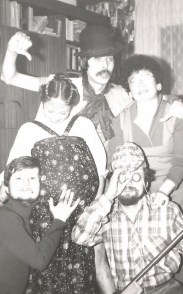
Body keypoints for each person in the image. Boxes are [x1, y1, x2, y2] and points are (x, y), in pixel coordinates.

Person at [0, 74, 108, 294]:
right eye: (51, 109)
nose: (57, 116)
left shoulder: (84, 124)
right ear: (43, 102)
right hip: (45, 217)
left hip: (80, 216)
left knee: (80, 276)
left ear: (73, 104)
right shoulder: (29, 129)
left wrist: (94, 208)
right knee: (47, 274)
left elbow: (100, 171)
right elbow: (11, 171)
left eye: (63, 110)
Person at [1, 27, 183, 151]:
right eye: (98, 60)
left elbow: (154, 94)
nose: (105, 65)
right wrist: (11, 50)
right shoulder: (63, 85)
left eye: (109, 59)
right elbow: (9, 77)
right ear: (84, 63)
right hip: (58, 163)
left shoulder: (122, 93)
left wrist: (177, 102)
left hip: (101, 172)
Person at [108, 54, 183, 284]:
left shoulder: (177, 112)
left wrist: (164, 192)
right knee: (150, 251)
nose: (140, 84)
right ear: (128, 91)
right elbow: (115, 163)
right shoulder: (120, 120)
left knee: (182, 247)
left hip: (178, 188)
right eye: (133, 80)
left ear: (158, 84)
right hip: (140, 191)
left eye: (145, 77)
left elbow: (181, 162)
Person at [72, 142, 183, 294]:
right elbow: (79, 238)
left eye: (135, 176)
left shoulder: (167, 210)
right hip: (126, 291)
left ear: (146, 181)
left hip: (166, 289)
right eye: (121, 177)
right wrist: (108, 196)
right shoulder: (104, 214)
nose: (128, 182)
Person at [0, 156, 79, 294]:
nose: (26, 183)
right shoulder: (4, 216)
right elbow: (39, 261)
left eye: (32, 178)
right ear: (6, 188)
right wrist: (59, 219)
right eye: (18, 178)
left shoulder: (31, 217)